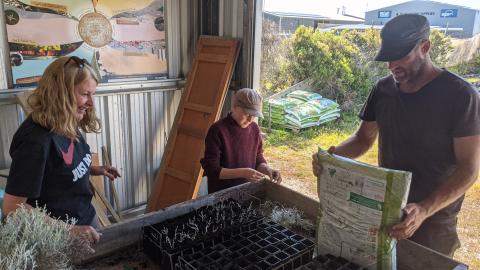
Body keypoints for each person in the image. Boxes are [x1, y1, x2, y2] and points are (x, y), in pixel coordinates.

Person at [312, 14, 479, 257]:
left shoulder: (461, 96)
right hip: (385, 210)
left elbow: (469, 170)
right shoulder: (383, 89)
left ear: (425, 47)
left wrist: (423, 210)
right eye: (388, 59)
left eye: (401, 57)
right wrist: (330, 157)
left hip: (433, 220)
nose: (391, 67)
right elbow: (363, 139)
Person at [3, 56, 121, 244]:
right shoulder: (35, 140)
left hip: (85, 219)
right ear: (60, 94)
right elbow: (12, 207)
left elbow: (60, 166)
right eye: (85, 94)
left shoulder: (65, 120)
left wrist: (92, 169)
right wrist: (70, 230)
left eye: (93, 94)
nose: (92, 103)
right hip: (58, 235)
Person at [201, 88, 282, 193]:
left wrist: (267, 169)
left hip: (247, 191)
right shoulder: (217, 130)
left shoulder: (254, 129)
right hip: (221, 194)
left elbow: (257, 158)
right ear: (234, 107)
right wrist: (243, 173)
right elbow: (212, 170)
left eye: (254, 116)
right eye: (247, 113)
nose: (250, 119)